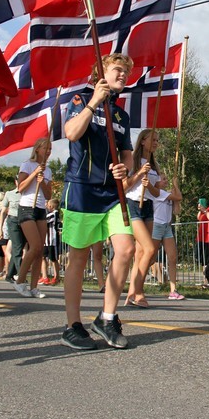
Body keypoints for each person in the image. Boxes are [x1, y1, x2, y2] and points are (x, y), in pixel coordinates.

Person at [59, 54, 137, 351]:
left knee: (127, 248)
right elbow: (71, 133)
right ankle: (72, 325)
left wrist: (125, 168)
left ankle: (107, 316)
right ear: (100, 72)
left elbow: (127, 152)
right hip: (82, 190)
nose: (123, 75)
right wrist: (94, 103)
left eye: (126, 72)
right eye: (118, 70)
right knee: (78, 257)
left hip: (112, 193)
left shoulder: (121, 115)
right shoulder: (81, 99)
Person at [124, 129, 161, 307]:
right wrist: (139, 174)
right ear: (143, 141)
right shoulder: (132, 160)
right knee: (149, 249)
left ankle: (132, 292)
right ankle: (138, 293)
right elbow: (123, 186)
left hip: (148, 206)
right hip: (133, 205)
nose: (155, 143)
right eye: (153, 139)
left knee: (141, 253)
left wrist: (152, 185)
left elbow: (156, 192)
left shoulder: (154, 165)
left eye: (157, 140)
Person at [13, 138, 52, 299]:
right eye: (45, 148)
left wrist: (42, 182)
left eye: (50, 149)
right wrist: (34, 174)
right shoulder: (27, 164)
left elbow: (49, 195)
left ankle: (34, 286)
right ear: (37, 149)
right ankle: (20, 280)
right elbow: (20, 188)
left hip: (41, 208)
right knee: (34, 246)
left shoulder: (48, 170)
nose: (48, 151)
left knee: (40, 250)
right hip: (26, 208)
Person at [152, 173, 184, 300]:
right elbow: (179, 197)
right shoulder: (158, 193)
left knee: (172, 257)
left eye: (166, 178)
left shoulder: (168, 195)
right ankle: (137, 286)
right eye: (163, 179)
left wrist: (175, 196)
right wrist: (176, 186)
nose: (166, 181)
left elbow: (177, 211)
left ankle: (173, 290)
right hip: (156, 225)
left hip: (166, 227)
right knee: (150, 257)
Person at [0, 180, 23, 282]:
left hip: (24, 222)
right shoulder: (10, 194)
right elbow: (3, 212)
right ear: (15, 181)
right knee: (17, 247)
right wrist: (0, 228)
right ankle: (20, 274)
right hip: (13, 221)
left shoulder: (27, 194)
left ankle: (9, 274)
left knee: (19, 247)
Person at [43, 198, 61, 285]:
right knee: (43, 257)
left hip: (52, 240)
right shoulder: (51, 214)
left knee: (53, 259)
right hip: (46, 240)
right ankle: (44, 277)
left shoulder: (54, 214)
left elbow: (44, 220)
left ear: (51, 206)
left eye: (48, 205)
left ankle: (56, 277)